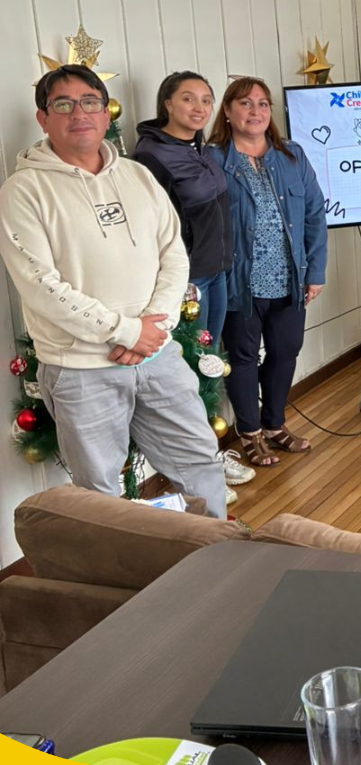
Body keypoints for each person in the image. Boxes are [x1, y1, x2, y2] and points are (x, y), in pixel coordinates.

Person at [0, 65, 227, 517]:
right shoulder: (23, 191)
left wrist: (154, 328)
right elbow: (41, 286)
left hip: (158, 355)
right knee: (99, 493)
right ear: (43, 118)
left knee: (200, 465)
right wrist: (126, 332)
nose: (78, 113)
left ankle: (217, 552)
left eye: (90, 102)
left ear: (106, 114)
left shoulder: (138, 177)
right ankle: (121, 567)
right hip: (81, 369)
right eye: (63, 104)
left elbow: (173, 254)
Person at [206, 77, 328, 469]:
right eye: (245, 103)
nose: (255, 111)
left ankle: (274, 425)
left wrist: (315, 270)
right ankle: (250, 432)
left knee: (286, 351)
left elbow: (314, 214)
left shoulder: (291, 155)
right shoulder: (213, 160)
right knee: (242, 357)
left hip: (289, 278)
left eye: (262, 104)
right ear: (228, 111)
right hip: (238, 282)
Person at [133, 71, 232, 347]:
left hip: (217, 269)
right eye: (188, 99)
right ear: (168, 104)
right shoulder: (151, 155)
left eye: (206, 100)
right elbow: (149, 225)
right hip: (188, 277)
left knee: (211, 355)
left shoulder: (200, 148)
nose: (199, 108)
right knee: (192, 358)